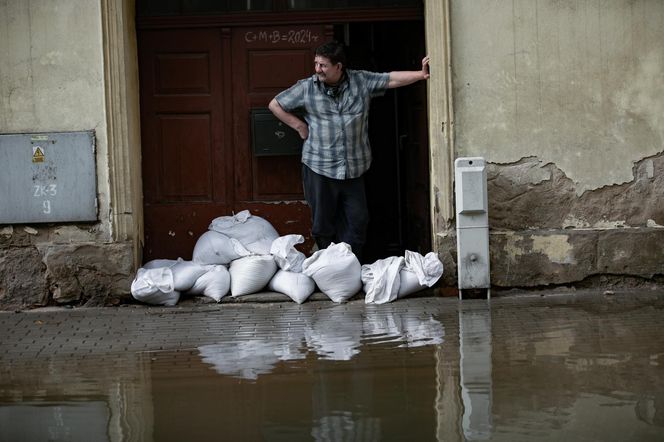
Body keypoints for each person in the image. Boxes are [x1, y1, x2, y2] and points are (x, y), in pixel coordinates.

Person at [269, 40, 430, 261]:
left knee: (358, 220)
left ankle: (351, 265)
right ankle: (326, 265)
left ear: (339, 66)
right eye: (316, 64)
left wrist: (420, 75)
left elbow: (390, 78)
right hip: (319, 166)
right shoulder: (307, 87)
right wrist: (299, 125)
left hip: (354, 168)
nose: (317, 70)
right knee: (322, 223)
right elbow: (275, 104)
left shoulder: (360, 81)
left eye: (323, 65)